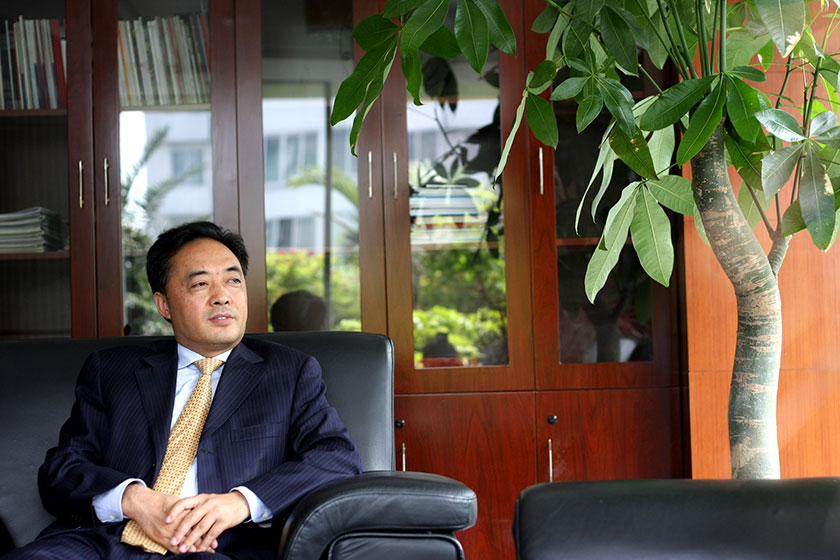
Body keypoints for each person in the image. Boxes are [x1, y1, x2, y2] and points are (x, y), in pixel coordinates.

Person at [3, 221, 362, 560]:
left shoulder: (289, 372)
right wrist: (133, 499)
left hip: (219, 548)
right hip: (105, 542)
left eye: (233, 281)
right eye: (201, 284)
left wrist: (240, 502)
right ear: (164, 305)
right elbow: (62, 469)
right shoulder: (111, 371)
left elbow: (336, 457)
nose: (222, 297)